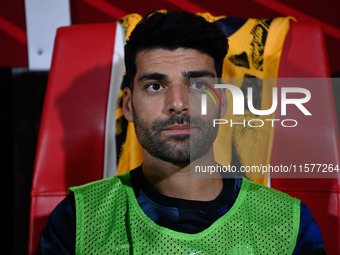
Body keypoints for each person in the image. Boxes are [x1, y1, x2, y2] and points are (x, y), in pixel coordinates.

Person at [37, 11, 325, 254]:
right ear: (128, 105)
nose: (177, 104)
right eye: (155, 86)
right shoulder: (78, 221)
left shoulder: (290, 225)